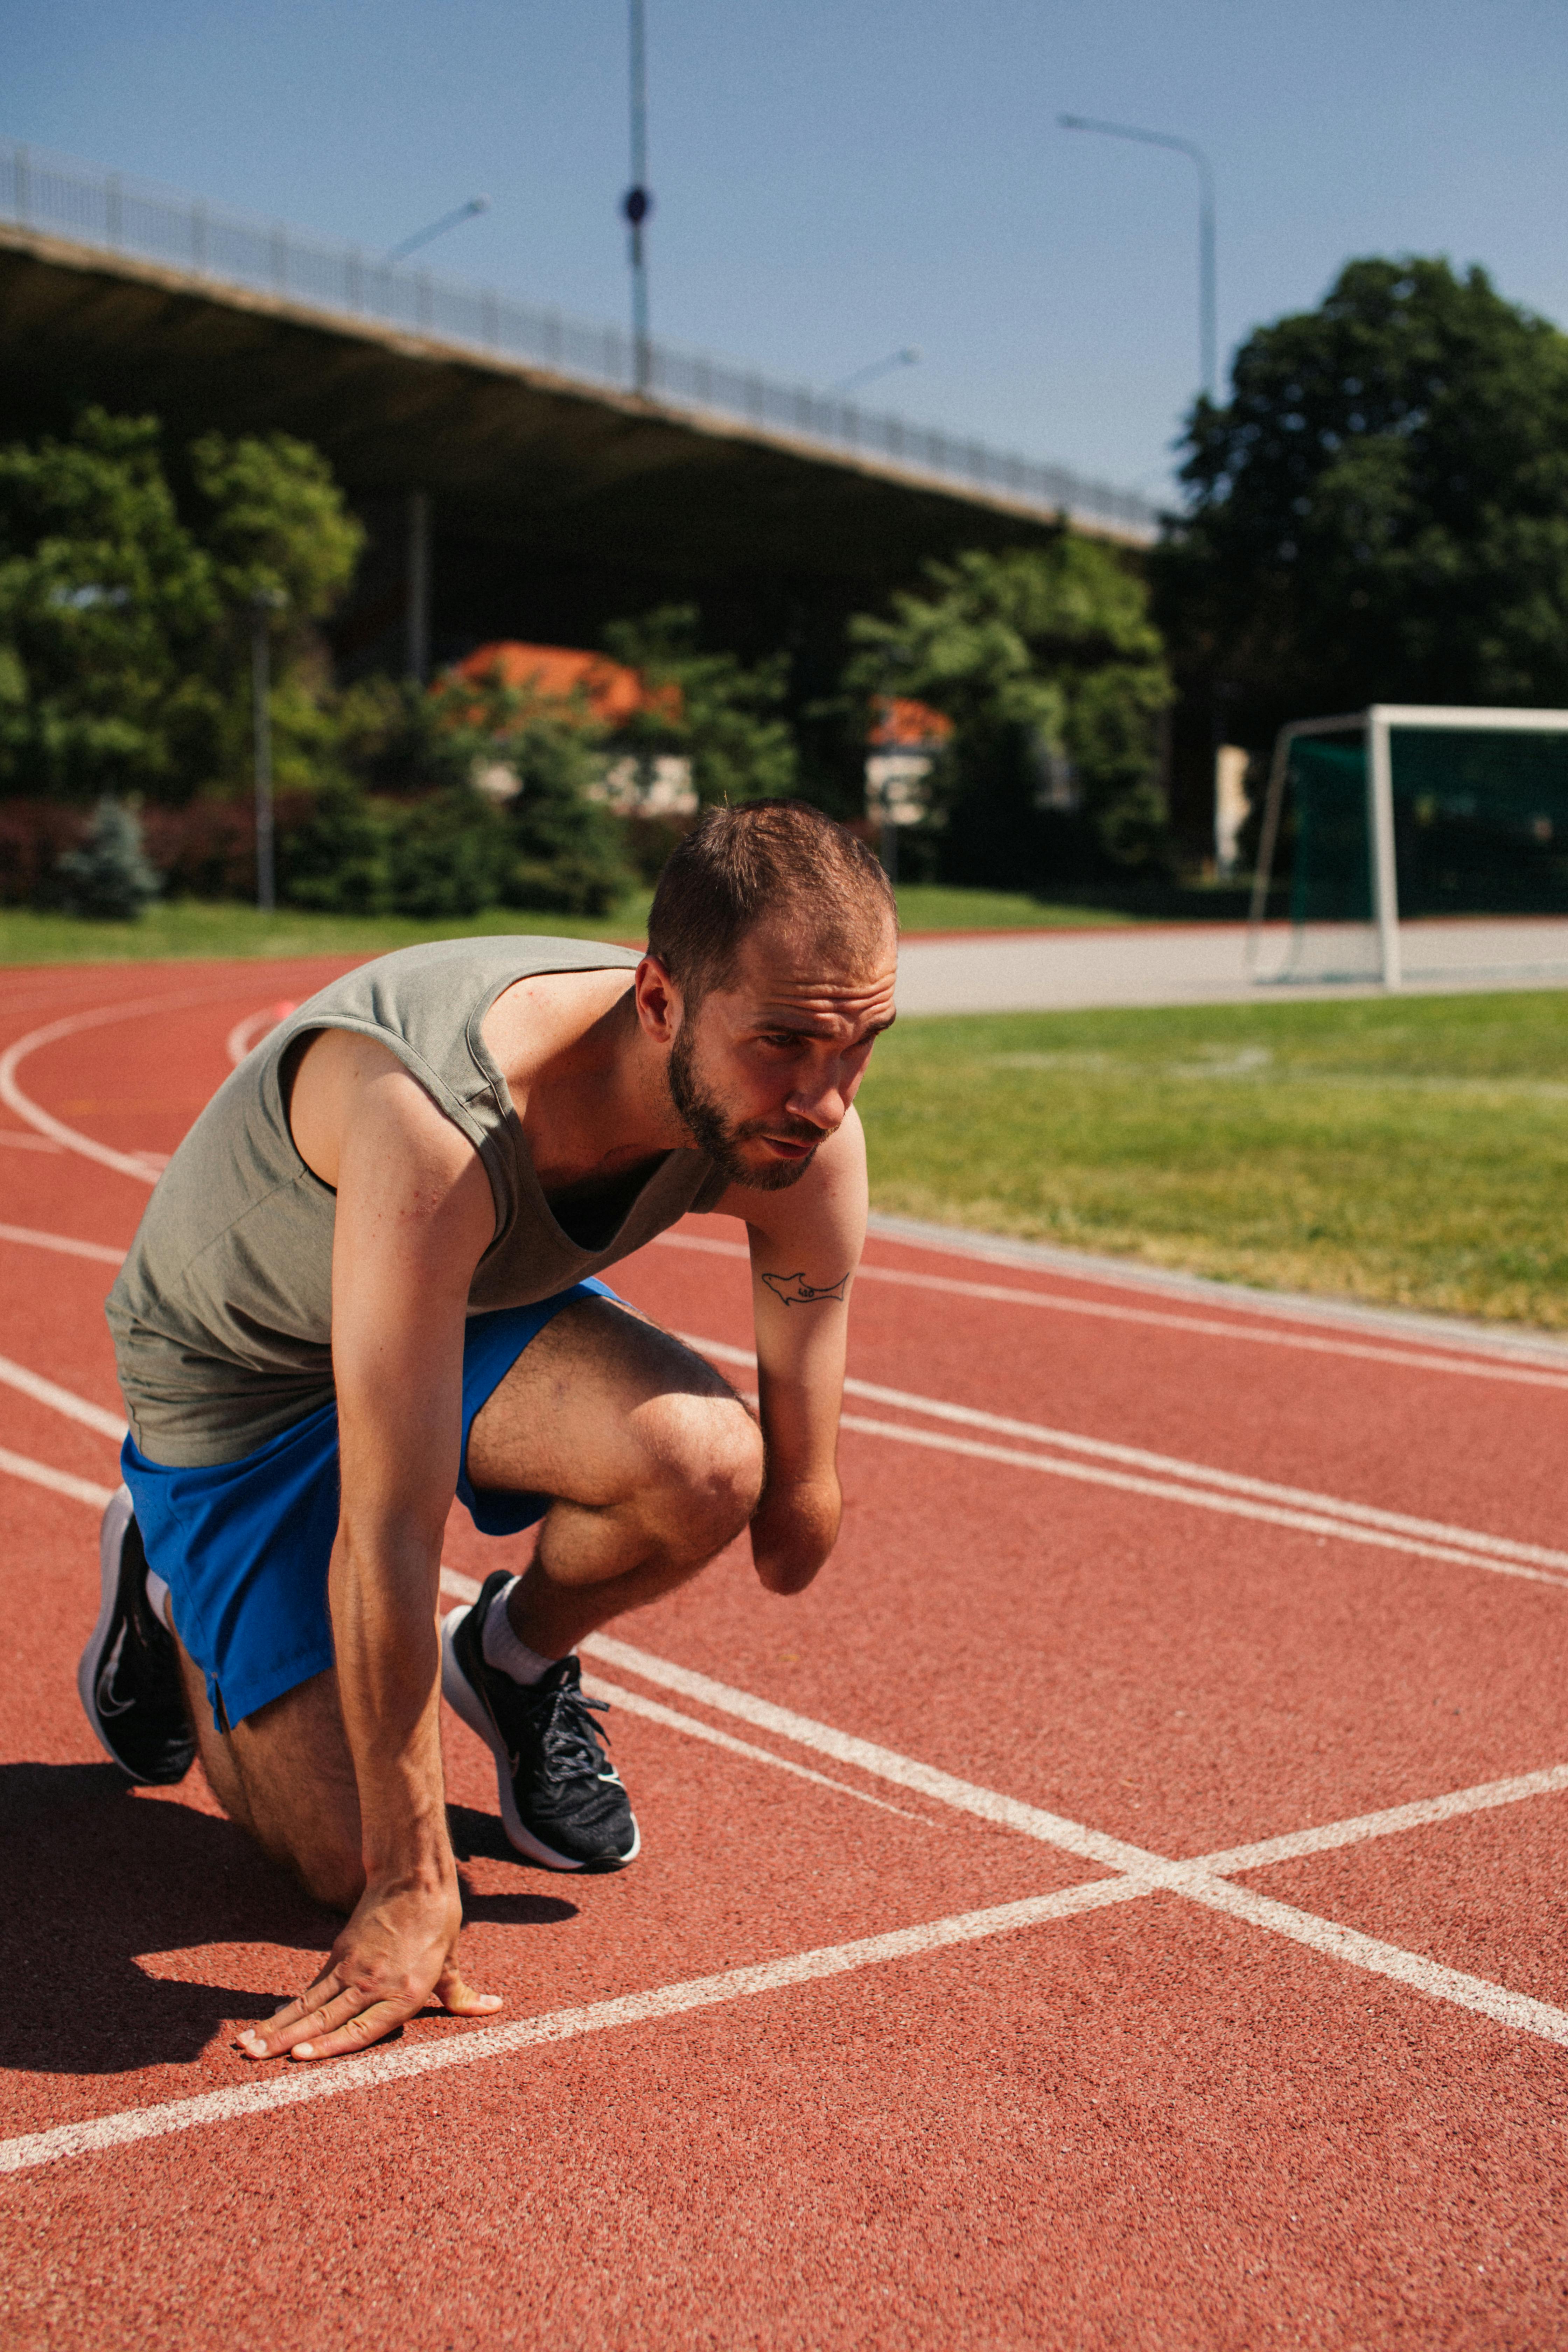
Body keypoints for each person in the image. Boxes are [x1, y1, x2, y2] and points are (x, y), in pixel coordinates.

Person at [80, 800, 898, 2065]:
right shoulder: (439, 1115)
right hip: (239, 1376)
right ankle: (166, 1577)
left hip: (453, 1303)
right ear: (661, 1001)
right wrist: (412, 1882)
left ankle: (510, 1662)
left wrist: (791, 1505)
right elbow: (389, 1528)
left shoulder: (799, 1134)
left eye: (860, 1046)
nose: (825, 1100)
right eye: (785, 1044)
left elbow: (795, 1514)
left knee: (710, 1466)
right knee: (343, 1861)